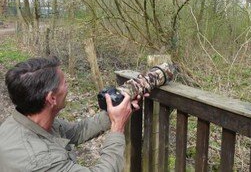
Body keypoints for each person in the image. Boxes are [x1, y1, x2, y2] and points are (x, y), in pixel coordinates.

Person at [0, 56, 144, 172]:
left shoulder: (26, 119)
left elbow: (78, 131)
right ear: (52, 98)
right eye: (65, 83)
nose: (67, 87)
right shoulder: (41, 161)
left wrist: (117, 109)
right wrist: (117, 127)